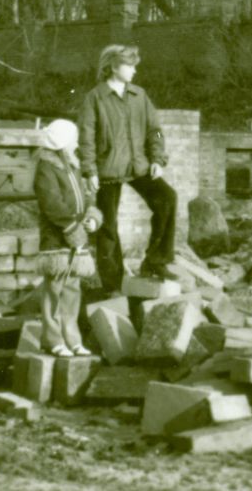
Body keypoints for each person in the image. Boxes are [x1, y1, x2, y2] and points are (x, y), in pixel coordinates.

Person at [78, 44, 177, 293]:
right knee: (107, 226)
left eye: (135, 66)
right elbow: (86, 138)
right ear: (113, 67)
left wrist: (157, 159)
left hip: (139, 165)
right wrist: (89, 171)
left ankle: (156, 261)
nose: (134, 70)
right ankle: (112, 284)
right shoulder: (94, 98)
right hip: (107, 171)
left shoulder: (139, 95)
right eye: (129, 66)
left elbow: (155, 130)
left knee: (167, 198)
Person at [33, 119, 102, 358]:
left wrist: (91, 218)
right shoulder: (46, 168)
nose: (76, 143)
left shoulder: (72, 166)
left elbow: (87, 196)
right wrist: (72, 228)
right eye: (73, 139)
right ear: (62, 142)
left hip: (76, 237)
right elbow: (52, 204)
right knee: (54, 289)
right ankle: (52, 340)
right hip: (57, 238)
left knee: (72, 290)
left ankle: (72, 340)